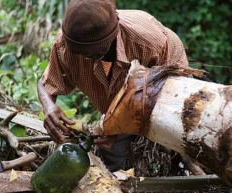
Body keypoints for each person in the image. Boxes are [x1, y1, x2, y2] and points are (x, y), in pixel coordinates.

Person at [37, 0, 188, 172]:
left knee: (174, 142)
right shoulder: (67, 45)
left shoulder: (148, 43)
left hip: (165, 85)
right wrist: (49, 107)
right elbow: (45, 83)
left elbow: (160, 98)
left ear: (111, 37)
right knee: (111, 153)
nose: (87, 59)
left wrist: (121, 124)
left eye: (95, 53)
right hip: (117, 99)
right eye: (80, 54)